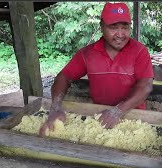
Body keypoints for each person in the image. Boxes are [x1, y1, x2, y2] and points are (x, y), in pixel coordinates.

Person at [39, 2, 154, 135]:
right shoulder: (87, 54)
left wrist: (118, 111)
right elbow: (63, 77)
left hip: (134, 118)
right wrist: (56, 107)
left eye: (125, 27)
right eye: (113, 27)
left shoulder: (139, 51)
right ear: (101, 27)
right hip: (100, 119)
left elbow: (146, 86)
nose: (120, 34)